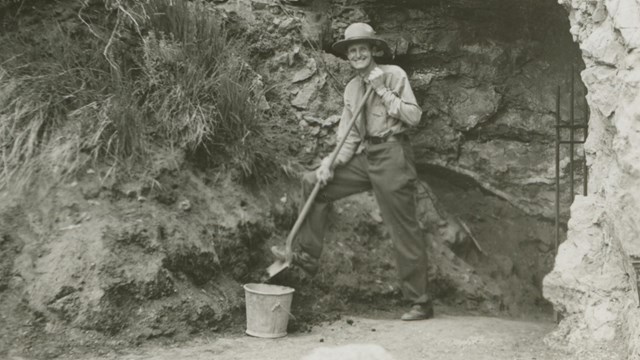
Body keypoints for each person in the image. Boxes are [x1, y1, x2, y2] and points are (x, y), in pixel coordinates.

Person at [272, 22, 433, 321]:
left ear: (374, 49)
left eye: (362, 48)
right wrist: (329, 164)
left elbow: (414, 116)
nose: (357, 54)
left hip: (393, 154)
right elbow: (349, 137)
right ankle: (306, 258)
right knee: (314, 184)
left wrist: (382, 90)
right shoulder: (351, 88)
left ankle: (420, 302)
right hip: (366, 155)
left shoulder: (394, 75)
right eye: (352, 50)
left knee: (403, 227)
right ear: (348, 55)